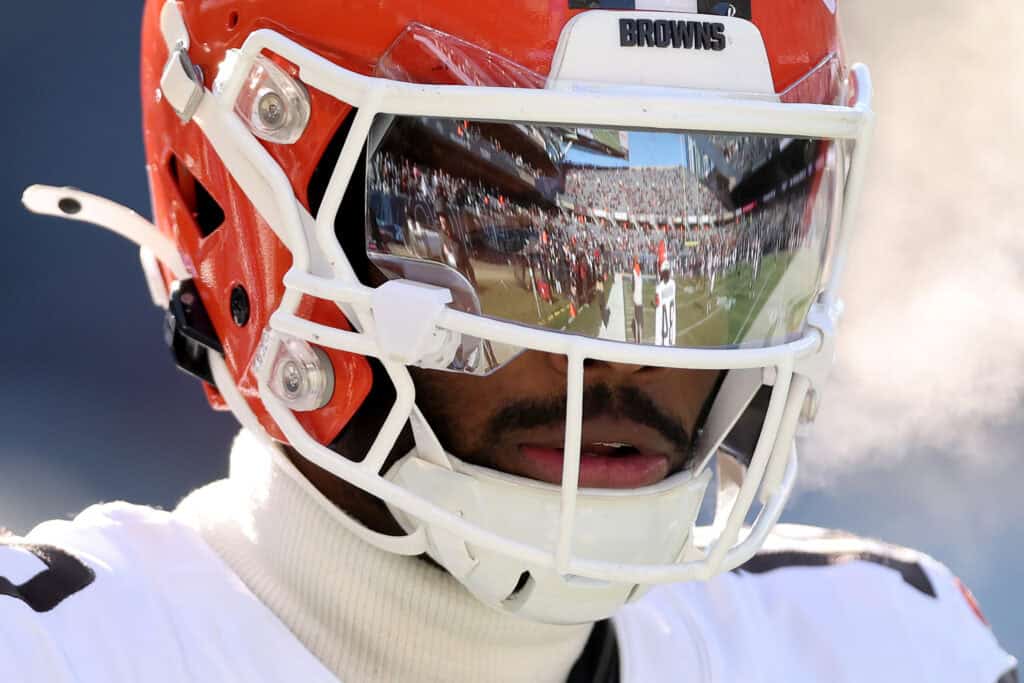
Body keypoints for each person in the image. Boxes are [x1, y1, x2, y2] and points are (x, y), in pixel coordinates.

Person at [2, 1, 1017, 681]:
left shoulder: (880, 648)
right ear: (234, 209)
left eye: (706, 254)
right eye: (509, 236)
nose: (632, 359)